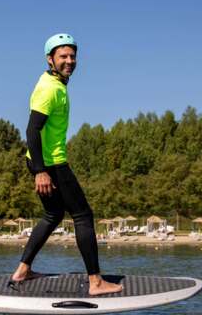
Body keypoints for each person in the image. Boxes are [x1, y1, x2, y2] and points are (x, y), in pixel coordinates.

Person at [10, 34, 122, 296]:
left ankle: (23, 270)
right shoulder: (50, 89)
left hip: (44, 161)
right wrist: (41, 171)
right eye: (63, 56)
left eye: (72, 56)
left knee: (53, 215)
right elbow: (32, 131)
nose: (69, 61)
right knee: (83, 216)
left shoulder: (55, 83)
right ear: (50, 59)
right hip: (52, 164)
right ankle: (95, 282)